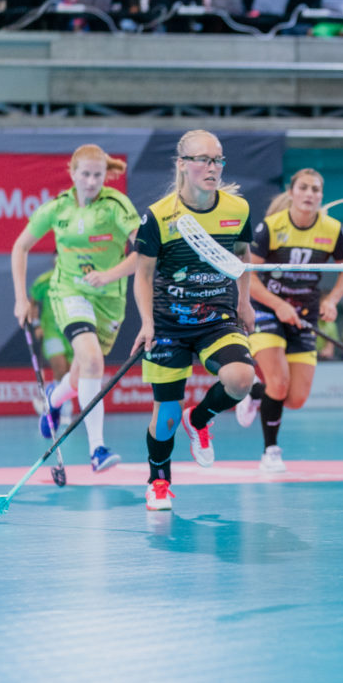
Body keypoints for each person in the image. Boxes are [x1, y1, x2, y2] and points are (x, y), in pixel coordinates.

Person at [132, 130, 257, 511]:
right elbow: (142, 275)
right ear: (182, 164)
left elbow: (242, 256)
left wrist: (246, 302)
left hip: (216, 317)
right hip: (169, 323)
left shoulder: (237, 210)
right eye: (203, 159)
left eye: (218, 160)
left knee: (240, 379)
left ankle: (200, 419)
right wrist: (147, 323)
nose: (212, 167)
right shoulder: (158, 216)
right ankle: (158, 481)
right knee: (165, 415)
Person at [10, 145, 139, 472]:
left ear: (105, 175)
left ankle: (53, 399)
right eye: (85, 174)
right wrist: (21, 298)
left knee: (84, 370)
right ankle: (98, 450)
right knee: (93, 360)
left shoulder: (116, 206)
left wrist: (109, 275)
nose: (92, 181)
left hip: (109, 299)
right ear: (72, 172)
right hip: (68, 292)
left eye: (98, 175)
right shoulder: (57, 208)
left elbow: (147, 250)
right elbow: (20, 247)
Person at [234, 169, 343, 472]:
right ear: (292, 191)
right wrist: (277, 304)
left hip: (304, 315)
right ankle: (270, 450)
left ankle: (252, 392)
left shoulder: (333, 230)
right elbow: (248, 274)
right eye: (304, 188)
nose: (310, 194)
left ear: (321, 196)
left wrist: (332, 300)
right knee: (279, 381)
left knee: (295, 398)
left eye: (316, 189)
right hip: (266, 309)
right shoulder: (270, 228)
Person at [29, 266, 74, 390]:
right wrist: (36, 324)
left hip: (71, 330)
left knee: (69, 372)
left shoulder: (76, 278)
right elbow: (32, 304)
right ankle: (61, 406)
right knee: (59, 367)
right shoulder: (44, 280)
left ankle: (54, 398)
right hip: (51, 331)